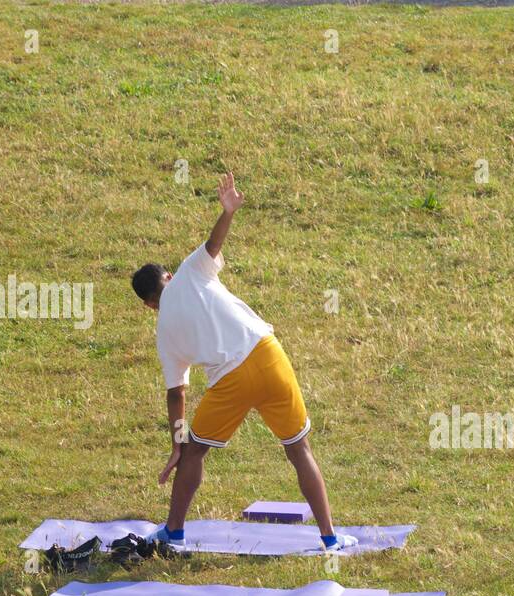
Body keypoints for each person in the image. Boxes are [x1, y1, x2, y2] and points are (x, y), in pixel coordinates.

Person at [130, 172, 355, 551]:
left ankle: (174, 533)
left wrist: (177, 444)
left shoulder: (164, 332)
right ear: (168, 276)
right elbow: (213, 244)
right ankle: (330, 538)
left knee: (195, 452)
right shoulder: (188, 271)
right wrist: (228, 210)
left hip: (230, 381)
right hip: (268, 356)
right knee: (299, 449)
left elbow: (176, 394)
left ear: (149, 304)